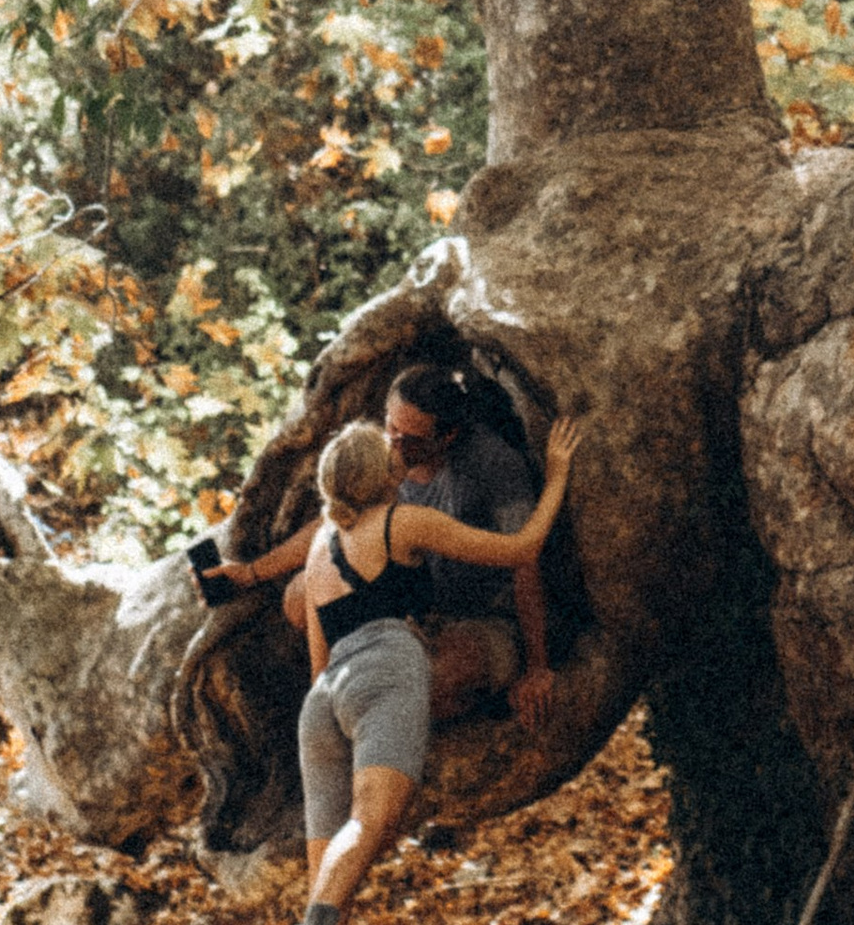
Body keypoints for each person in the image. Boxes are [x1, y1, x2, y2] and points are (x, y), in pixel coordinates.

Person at [287, 411, 580, 925]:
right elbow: (522, 548)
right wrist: (556, 474)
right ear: (381, 474)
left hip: (321, 704)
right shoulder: (402, 521)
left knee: (329, 870)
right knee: (367, 826)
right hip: (386, 672)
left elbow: (319, 664)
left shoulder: (318, 547)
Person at [200, 364, 558, 727]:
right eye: (391, 426)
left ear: (448, 435)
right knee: (299, 597)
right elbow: (336, 520)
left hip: (480, 615)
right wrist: (251, 573)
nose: (395, 444)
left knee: (432, 682)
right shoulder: (382, 454)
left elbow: (525, 559)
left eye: (410, 439)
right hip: (409, 609)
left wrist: (538, 667)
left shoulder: (492, 464)